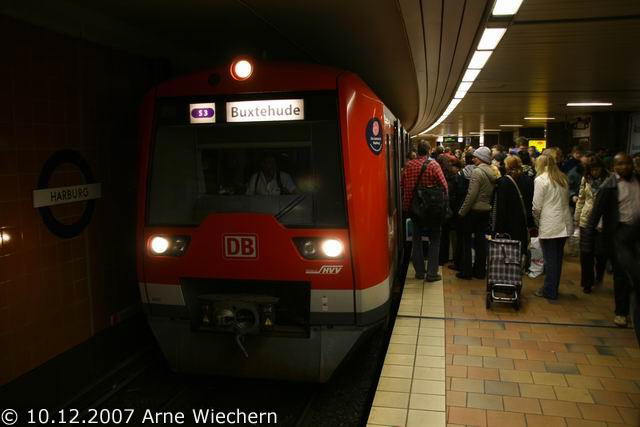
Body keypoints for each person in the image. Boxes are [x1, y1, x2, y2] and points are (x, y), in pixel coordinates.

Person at [586, 153, 640, 328]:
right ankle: (621, 311)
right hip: (618, 234)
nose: (624, 167)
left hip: (636, 232)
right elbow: (596, 214)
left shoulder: (638, 181)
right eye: (620, 164)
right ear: (614, 167)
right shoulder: (609, 186)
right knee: (622, 273)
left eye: (627, 163)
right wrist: (588, 238)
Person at [401, 141, 449, 282]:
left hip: (415, 208)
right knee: (435, 239)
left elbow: (403, 185)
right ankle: (432, 273)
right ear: (428, 151)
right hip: (433, 209)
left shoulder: (409, 165)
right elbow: (444, 186)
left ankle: (420, 272)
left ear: (417, 151)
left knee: (416, 240)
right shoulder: (434, 165)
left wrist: (407, 206)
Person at [532, 154, 574, 300]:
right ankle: (552, 287)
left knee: (550, 260)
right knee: (557, 258)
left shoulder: (540, 180)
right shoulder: (562, 178)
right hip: (564, 222)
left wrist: (537, 221)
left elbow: (537, 207)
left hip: (550, 223)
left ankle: (549, 290)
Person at [457, 146, 497, 279]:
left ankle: (466, 271)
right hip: (485, 210)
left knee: (466, 240)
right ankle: (480, 271)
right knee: (481, 241)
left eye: (475, 157)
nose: (473, 159)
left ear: (481, 159)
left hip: (473, 210)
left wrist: (462, 212)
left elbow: (471, 195)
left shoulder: (477, 172)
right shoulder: (492, 172)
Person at [574, 155, 609, 294]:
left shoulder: (609, 180)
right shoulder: (586, 179)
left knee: (600, 252)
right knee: (586, 252)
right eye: (592, 169)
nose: (594, 172)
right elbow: (581, 198)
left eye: (597, 169)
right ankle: (587, 282)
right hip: (586, 219)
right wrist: (577, 216)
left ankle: (599, 274)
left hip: (602, 220)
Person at [492, 156, 534, 258]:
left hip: (508, 221)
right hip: (523, 220)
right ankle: (521, 265)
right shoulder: (528, 179)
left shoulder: (503, 181)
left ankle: (509, 268)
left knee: (508, 250)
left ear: (507, 166)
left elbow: (501, 206)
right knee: (521, 246)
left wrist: (499, 227)